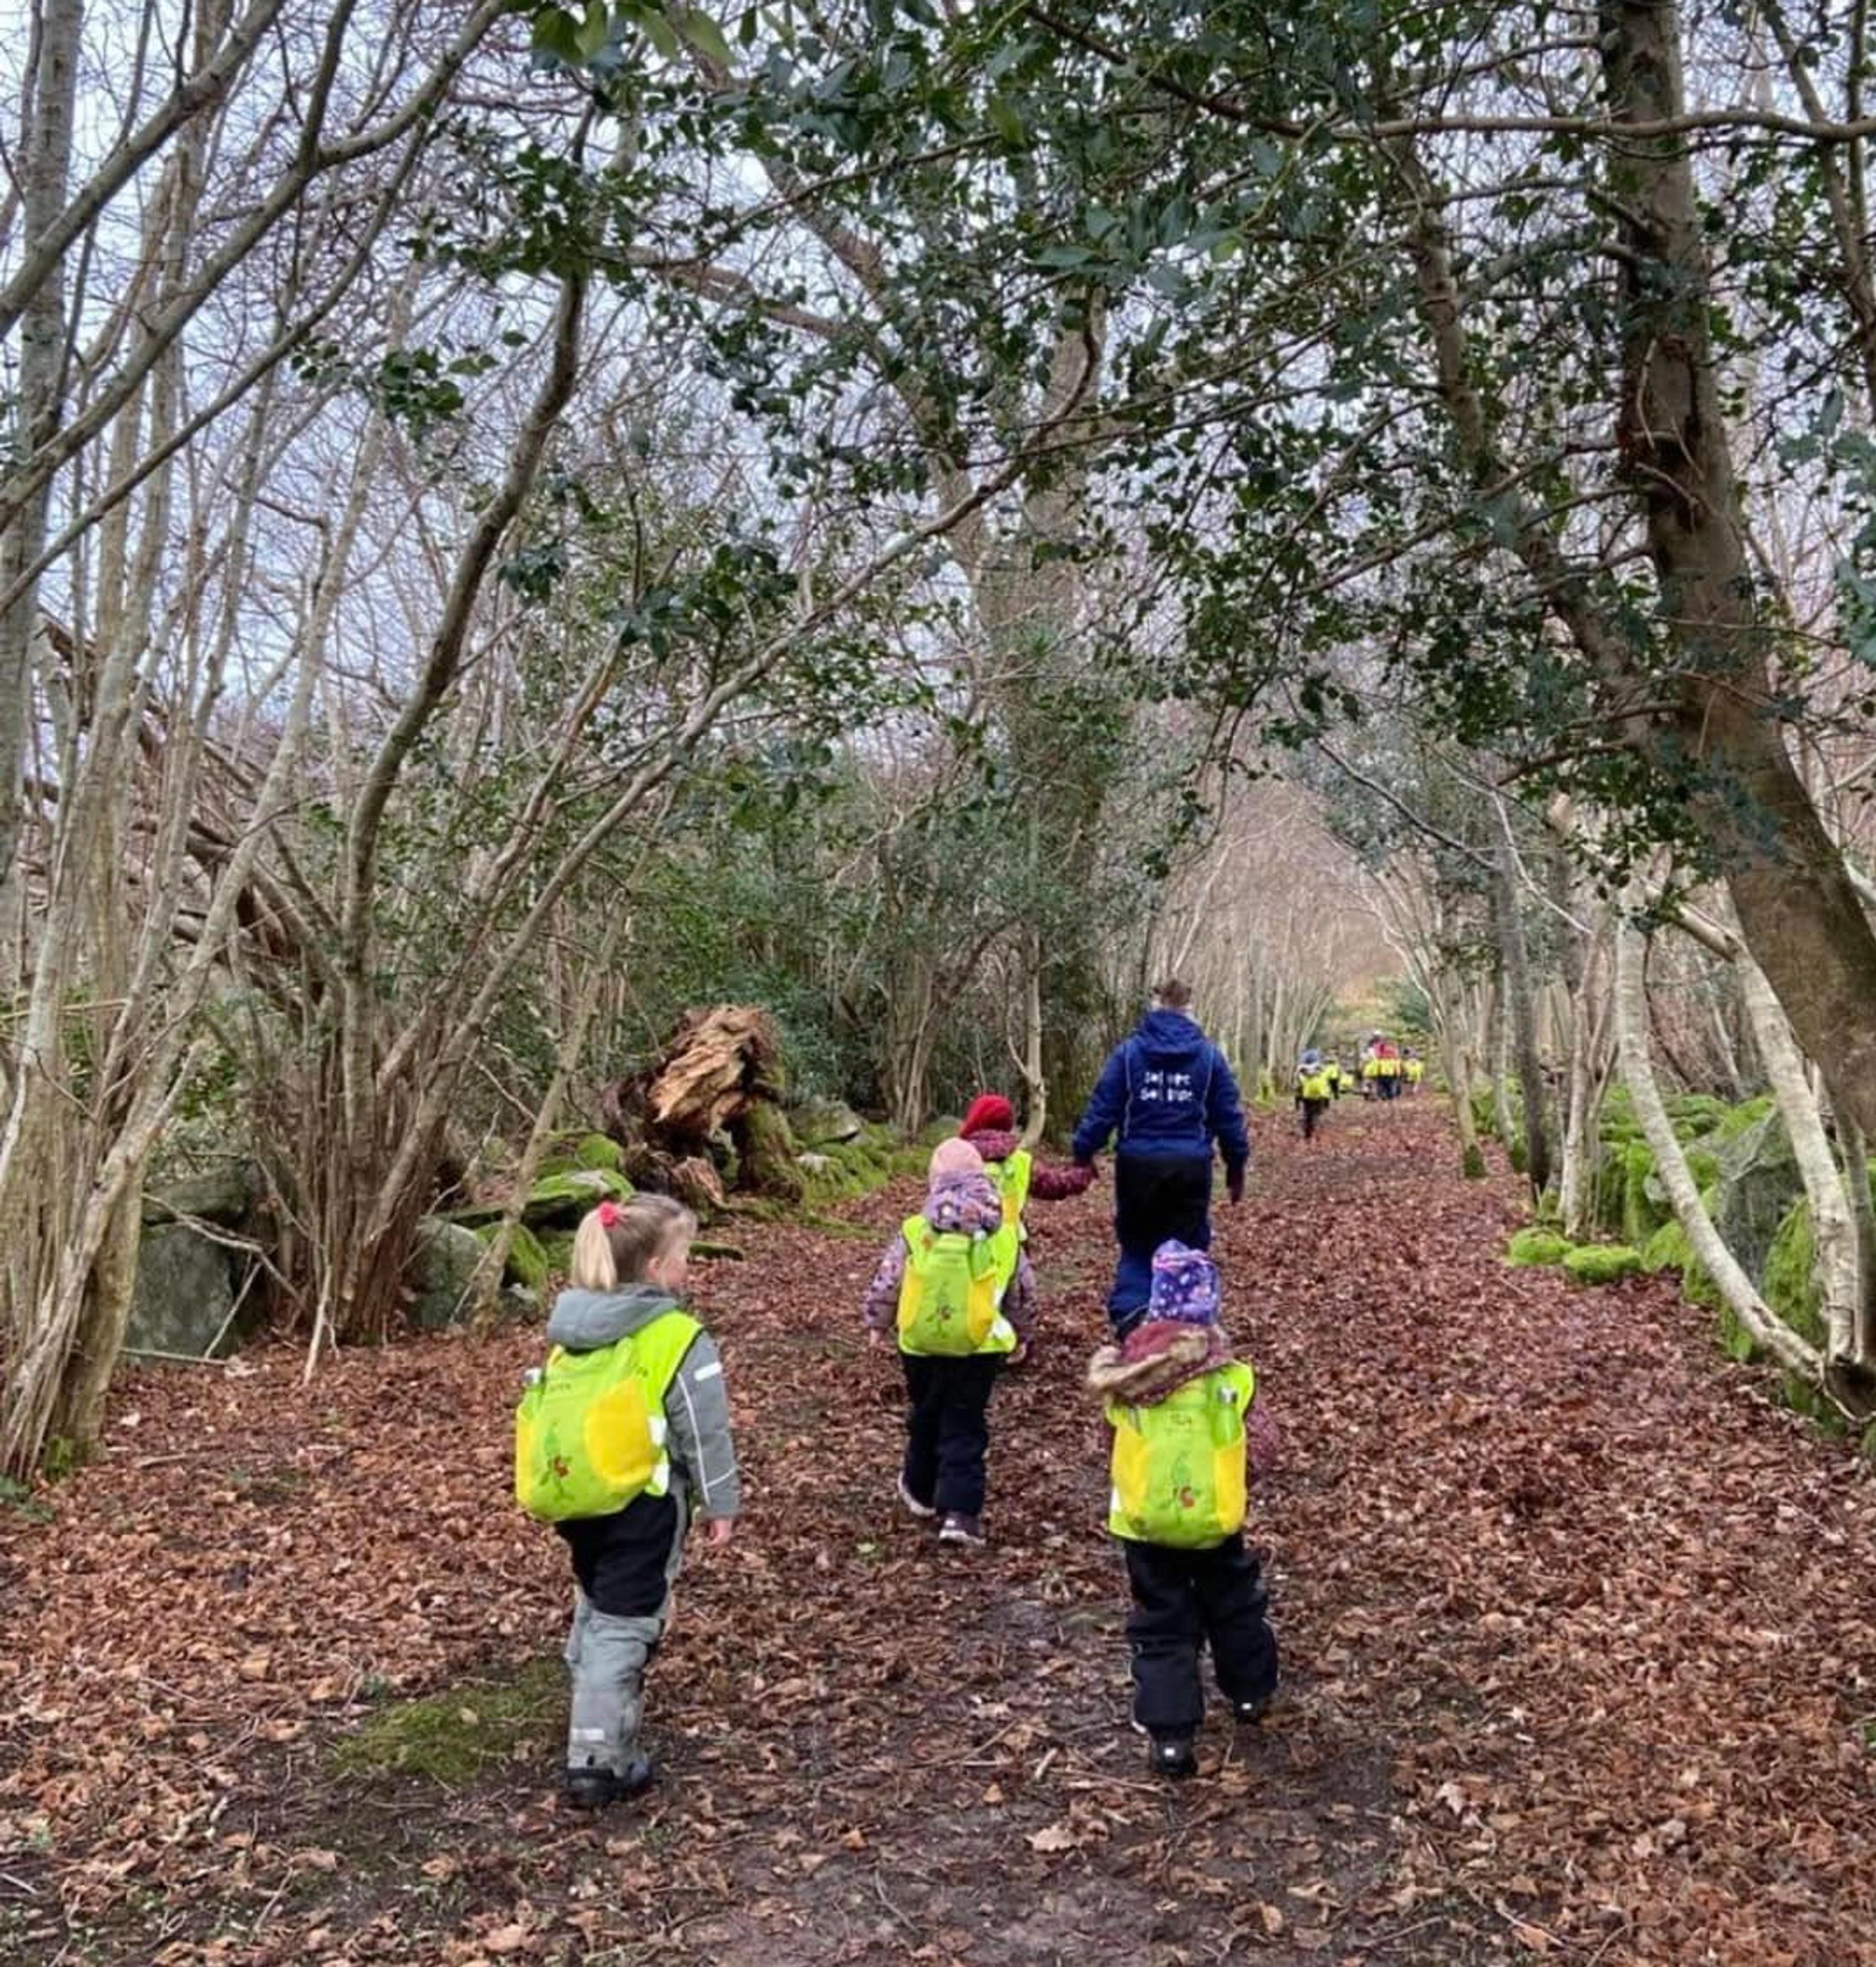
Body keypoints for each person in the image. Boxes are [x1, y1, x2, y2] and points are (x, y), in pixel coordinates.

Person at [514, 1195, 740, 1809]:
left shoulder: (572, 1334)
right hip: (643, 1499)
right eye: (685, 1256)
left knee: (598, 1597)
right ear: (658, 1267)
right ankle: (598, 1759)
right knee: (627, 1619)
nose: (689, 1267)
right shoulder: (675, 1337)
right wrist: (720, 1503)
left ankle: (591, 1684)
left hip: (579, 1499)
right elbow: (704, 1428)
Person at [1087, 1240, 1278, 1779]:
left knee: (1161, 1623)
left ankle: (1171, 1738)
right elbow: (1263, 1441)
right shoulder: (1229, 1378)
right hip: (1216, 1517)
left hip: (1146, 1525)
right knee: (1235, 1604)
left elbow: (1113, 1442)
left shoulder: (1127, 1379)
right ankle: (1251, 1694)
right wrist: (1237, 1476)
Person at [862, 1138, 1035, 1548]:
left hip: (920, 1346)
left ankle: (921, 1493)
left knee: (926, 1415)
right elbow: (1022, 1290)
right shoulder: (1004, 1235)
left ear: (933, 1182)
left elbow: (889, 1279)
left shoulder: (916, 1230)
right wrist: (1023, 1332)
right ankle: (960, 1514)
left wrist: (877, 1322)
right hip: (980, 1347)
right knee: (965, 1422)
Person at [1072, 979, 1251, 1333]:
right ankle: (1184, 1321)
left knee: (1138, 1244)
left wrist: (1084, 1150)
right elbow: (1228, 1116)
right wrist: (1236, 1165)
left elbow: (1103, 1107)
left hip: (1137, 1164)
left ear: (1155, 1005)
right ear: (1190, 1009)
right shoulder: (1210, 1057)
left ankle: (1132, 1319)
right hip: (1191, 1165)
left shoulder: (1129, 1054)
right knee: (1186, 1243)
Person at [959, 1091, 1096, 1241]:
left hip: (963, 1246)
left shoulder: (954, 1156)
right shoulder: (1020, 1160)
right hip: (1011, 1247)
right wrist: (1085, 1170)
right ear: (1007, 1123)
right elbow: (1057, 1184)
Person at [1294, 1050, 1334, 1142]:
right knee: (1309, 1114)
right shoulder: (1306, 1073)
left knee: (1315, 1112)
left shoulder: (1319, 1074)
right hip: (1308, 1097)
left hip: (1317, 1097)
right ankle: (1308, 1130)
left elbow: (1324, 1083)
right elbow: (1299, 1079)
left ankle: (1312, 1123)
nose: (1310, 1072)